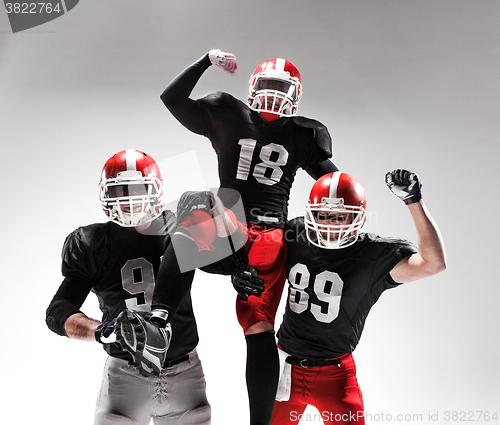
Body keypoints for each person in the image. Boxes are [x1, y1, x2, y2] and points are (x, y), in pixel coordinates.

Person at [116, 49, 339, 425]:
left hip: (266, 240)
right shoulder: (232, 113)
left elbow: (334, 184)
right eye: (268, 85)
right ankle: (159, 322)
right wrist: (205, 60)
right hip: (230, 234)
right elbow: (171, 98)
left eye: (281, 87)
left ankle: (259, 421)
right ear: (252, 86)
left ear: (296, 95)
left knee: (257, 327)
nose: (273, 94)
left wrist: (344, 213)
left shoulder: (302, 132)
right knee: (194, 204)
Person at [45, 149, 211, 425]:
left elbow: (226, 260)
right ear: (106, 194)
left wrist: (214, 214)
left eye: (138, 189)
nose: (130, 199)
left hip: (184, 369)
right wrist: (101, 331)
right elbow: (58, 311)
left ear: (156, 190)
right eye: (121, 190)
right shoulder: (93, 242)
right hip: (125, 373)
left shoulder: (178, 227)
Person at [270, 169, 447, 424]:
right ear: (310, 213)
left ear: (359, 219)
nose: (329, 223)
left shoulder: (372, 255)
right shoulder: (296, 233)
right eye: (323, 215)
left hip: (334, 376)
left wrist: (413, 201)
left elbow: (434, 263)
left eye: (340, 216)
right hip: (282, 366)